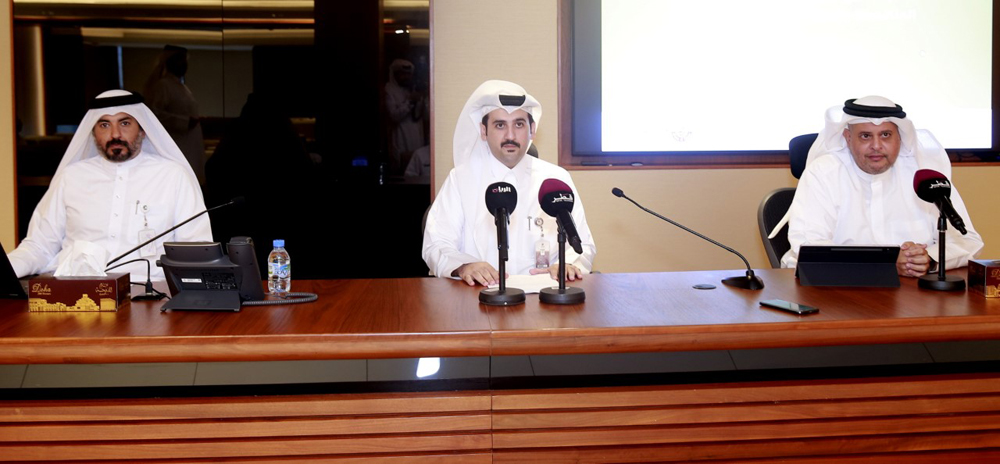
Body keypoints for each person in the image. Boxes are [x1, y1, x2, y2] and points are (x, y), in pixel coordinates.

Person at [7, 89, 212, 281]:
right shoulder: (71, 177)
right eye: (104, 125)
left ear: (142, 130)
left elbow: (196, 250)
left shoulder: (173, 176)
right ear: (93, 133)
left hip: (151, 294)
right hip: (79, 294)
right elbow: (39, 247)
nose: (115, 134)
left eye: (124, 124)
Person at [780, 96, 983, 276]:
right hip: (835, 290)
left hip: (913, 296)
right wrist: (887, 262)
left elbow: (968, 241)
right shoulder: (824, 172)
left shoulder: (924, 174)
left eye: (885, 135)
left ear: (900, 137)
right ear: (848, 138)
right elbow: (808, 248)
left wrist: (928, 259)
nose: (876, 146)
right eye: (866, 136)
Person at [423, 80, 596, 286]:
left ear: (532, 129)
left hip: (546, 299)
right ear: (484, 131)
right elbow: (436, 244)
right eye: (500, 125)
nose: (511, 136)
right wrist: (465, 266)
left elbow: (582, 244)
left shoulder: (555, 179)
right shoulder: (461, 179)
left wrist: (567, 263)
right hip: (479, 298)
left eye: (519, 124)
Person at [144, 45, 205, 184]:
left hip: (189, 145)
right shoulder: (163, 85)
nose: (183, 64)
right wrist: (183, 122)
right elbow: (154, 114)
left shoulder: (181, 86)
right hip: (177, 145)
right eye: (179, 60)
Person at [384, 59, 427, 173]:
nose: (406, 77)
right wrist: (409, 102)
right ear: (395, 74)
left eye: (408, 74)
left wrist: (421, 98)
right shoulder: (389, 90)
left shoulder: (412, 89)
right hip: (401, 138)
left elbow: (422, 115)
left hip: (416, 139)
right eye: (403, 74)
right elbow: (394, 115)